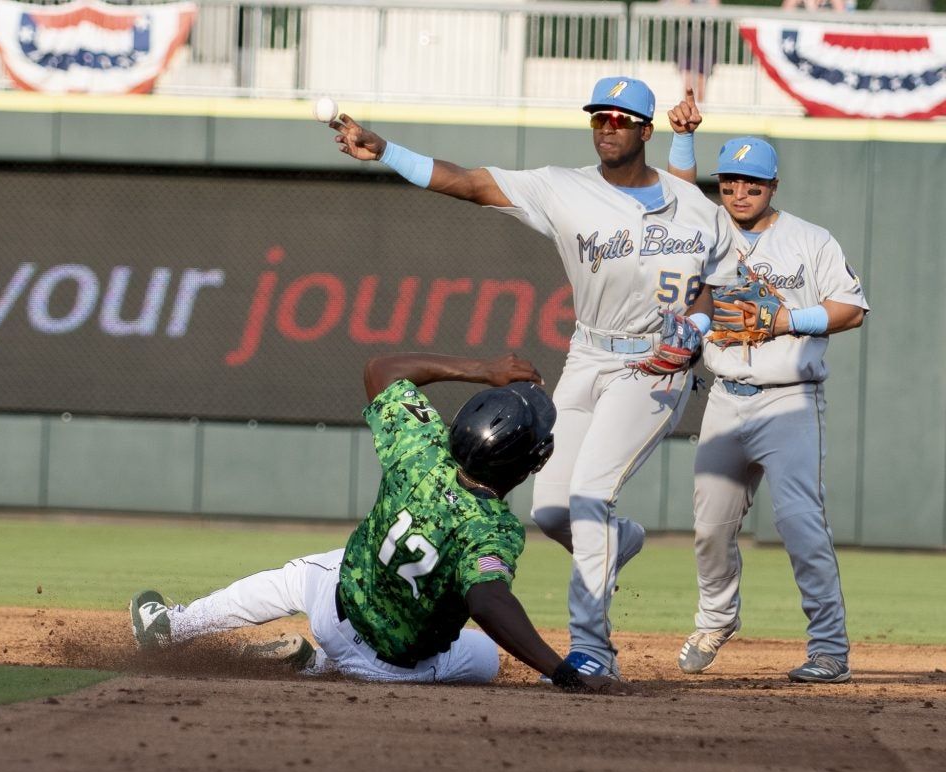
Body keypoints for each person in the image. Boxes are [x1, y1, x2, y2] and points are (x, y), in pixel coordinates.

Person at [325, 77, 738, 681]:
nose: (608, 127)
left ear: (646, 131)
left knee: (590, 495)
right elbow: (466, 182)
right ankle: (614, 543)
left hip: (654, 369)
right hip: (590, 353)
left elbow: (713, 292)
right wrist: (384, 149)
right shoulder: (561, 187)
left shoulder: (698, 211)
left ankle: (594, 649)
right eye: (600, 117)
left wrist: (695, 330)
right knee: (550, 510)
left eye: (622, 120)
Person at [131, 351, 618, 693]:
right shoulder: (493, 529)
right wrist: (561, 671)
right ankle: (318, 667)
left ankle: (175, 627)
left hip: (336, 607)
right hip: (392, 671)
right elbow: (488, 601)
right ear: (534, 461)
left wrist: (481, 370)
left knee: (299, 576)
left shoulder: (421, 450)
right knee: (485, 658)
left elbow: (380, 369)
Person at [666, 90, 869, 683]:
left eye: (752, 184)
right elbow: (680, 197)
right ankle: (716, 618)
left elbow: (851, 309)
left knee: (802, 523)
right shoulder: (705, 230)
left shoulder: (810, 239)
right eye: (729, 183)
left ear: (772, 186)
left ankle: (829, 648)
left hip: (789, 400)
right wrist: (683, 139)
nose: (739, 193)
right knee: (709, 527)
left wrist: (786, 320)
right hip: (726, 397)